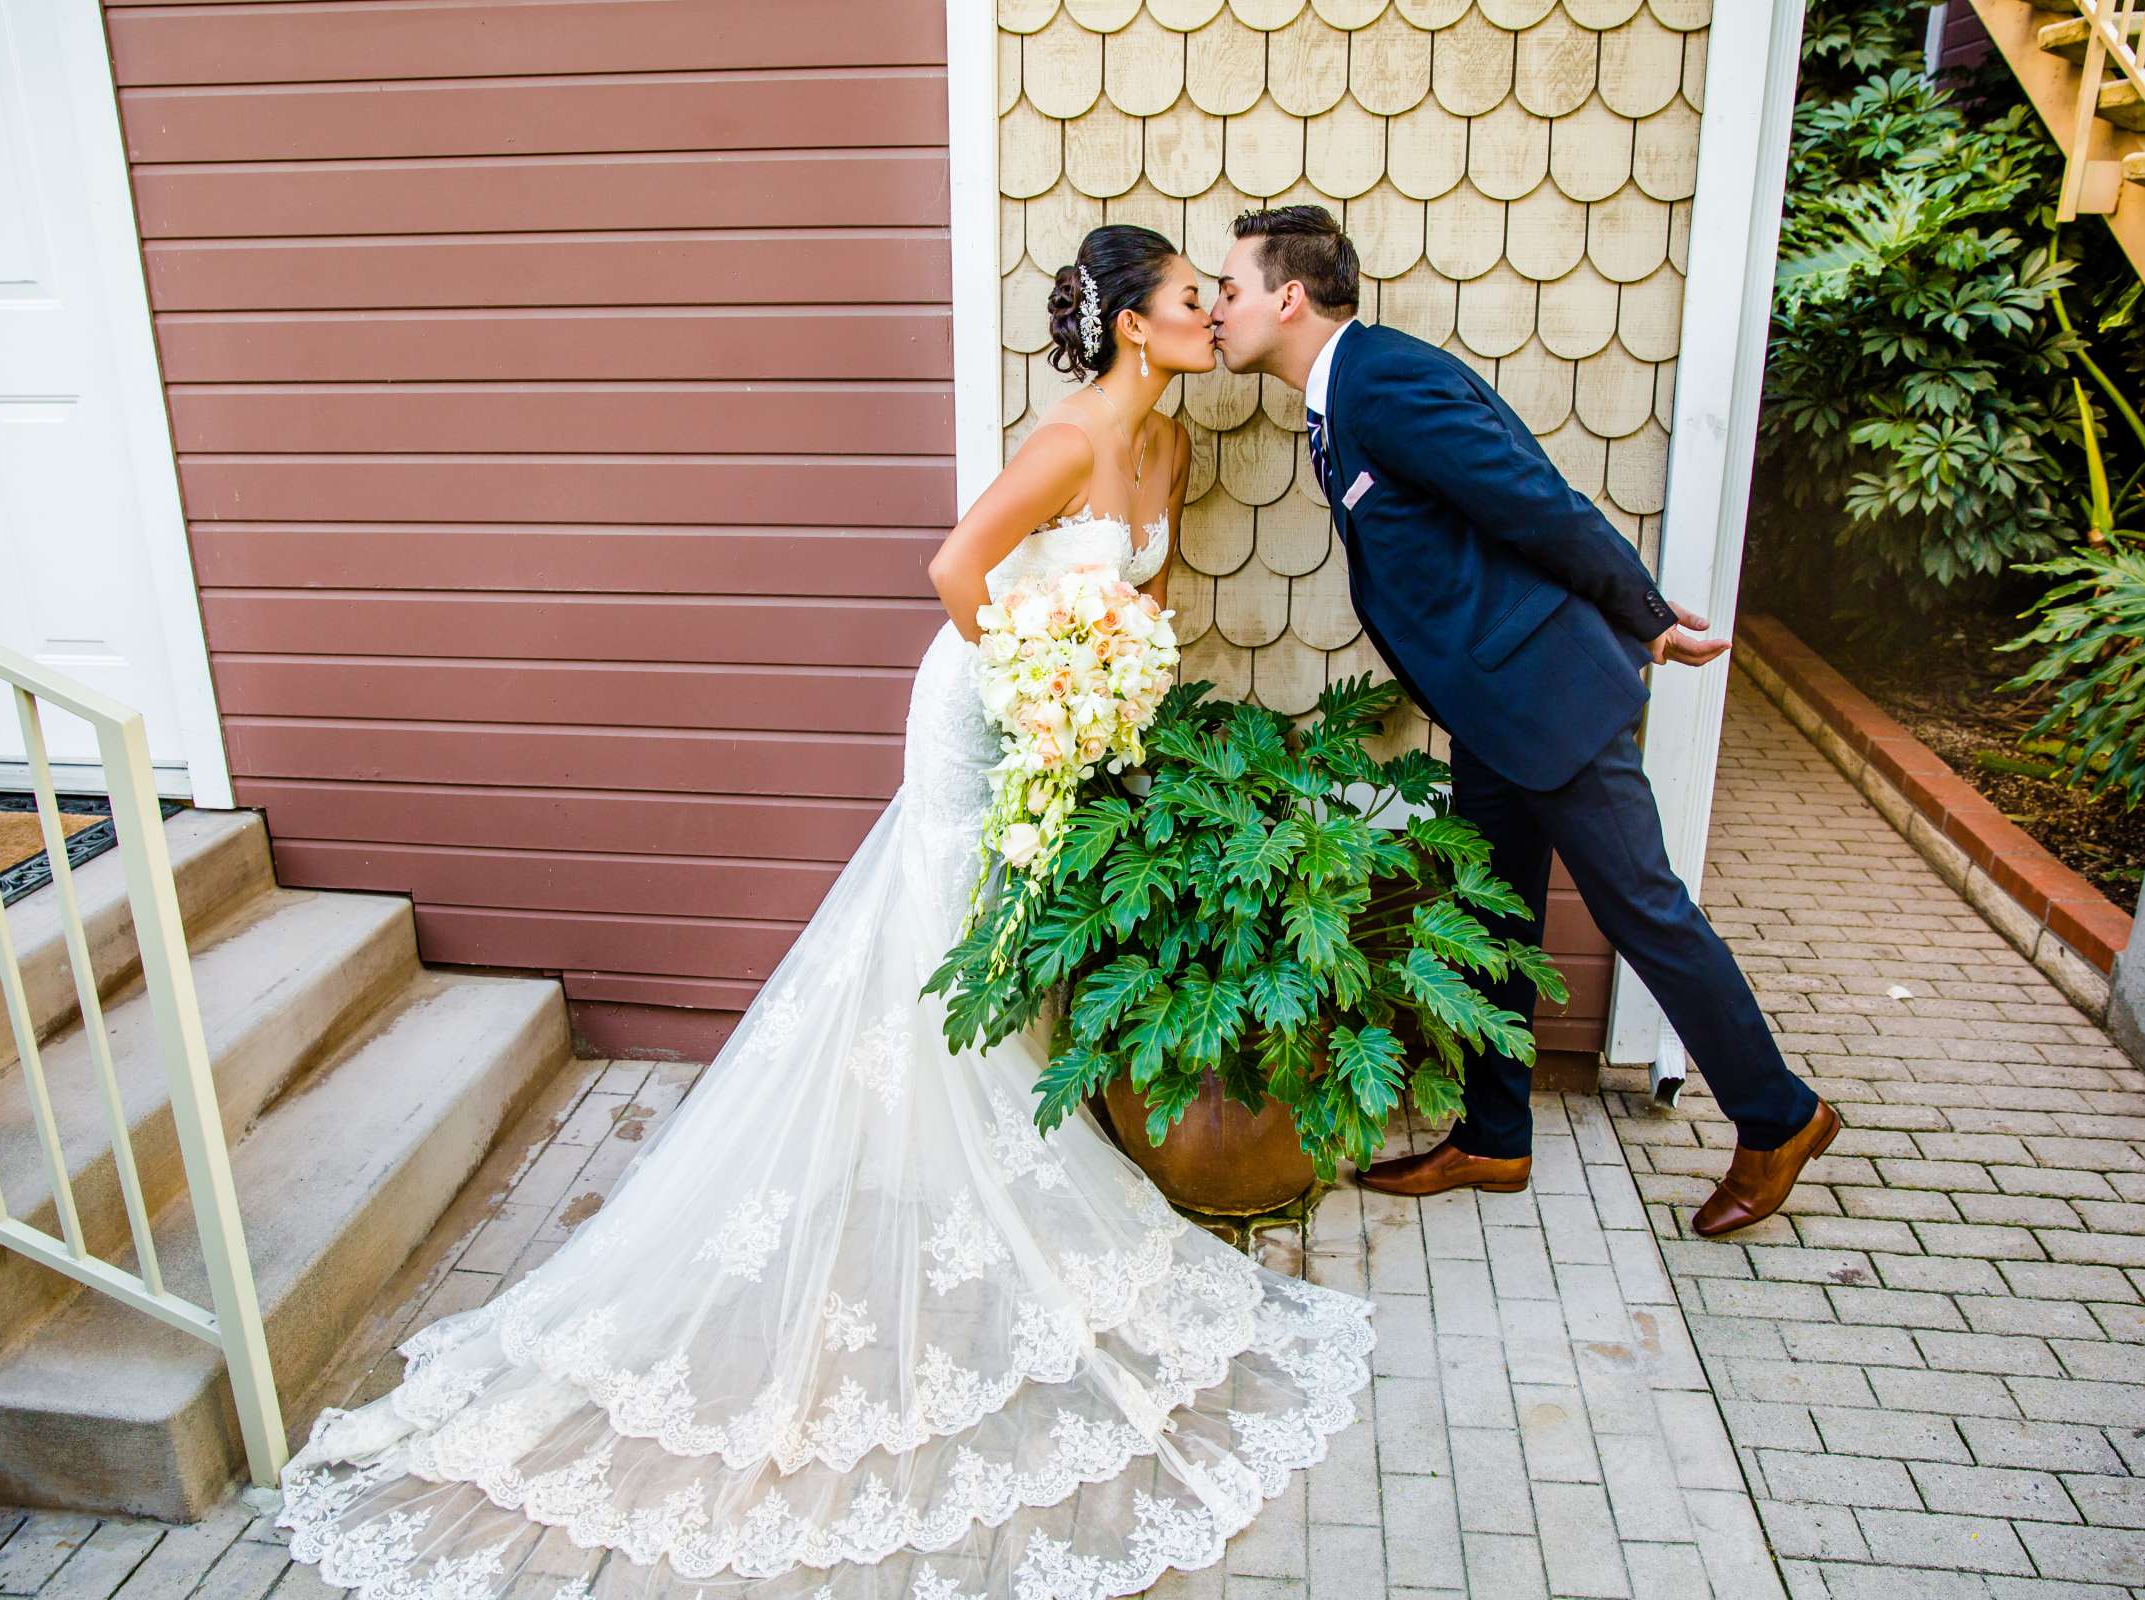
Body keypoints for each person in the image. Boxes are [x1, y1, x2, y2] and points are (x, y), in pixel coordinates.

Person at [270, 224, 1375, 1600]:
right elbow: (957, 573)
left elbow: (1147, 596)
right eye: (1191, 301)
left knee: (1015, 945)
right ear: (1134, 326)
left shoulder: (1173, 449)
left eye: (1219, 301)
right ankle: (923, 1181)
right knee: (936, 940)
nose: (1215, 316)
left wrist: (1116, 702)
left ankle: (961, 1163)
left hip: (1075, 722)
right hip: (981, 713)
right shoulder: (1075, 436)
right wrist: (1044, 697)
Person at [1207, 204, 1837, 1238]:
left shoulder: (1385, 380)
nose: (1220, 309)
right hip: (1495, 704)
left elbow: (1530, 498)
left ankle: (1780, 1116)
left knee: (1644, 907)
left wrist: (1645, 615)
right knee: (1499, 916)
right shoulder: (1343, 393)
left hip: (1550, 694)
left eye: (1230, 289)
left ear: (1288, 295)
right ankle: (1495, 1136)